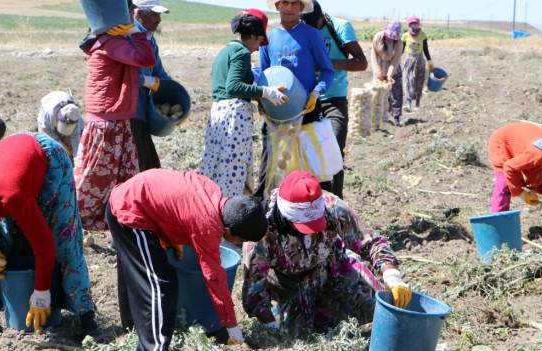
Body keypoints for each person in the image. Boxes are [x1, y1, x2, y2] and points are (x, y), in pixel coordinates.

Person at [0, 133, 99, 337]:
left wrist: (41, 294)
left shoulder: (11, 196)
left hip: (49, 161)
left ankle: (87, 320)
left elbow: (44, 245)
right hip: (14, 166)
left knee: (63, 240)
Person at [106, 169, 268, 349]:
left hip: (132, 198)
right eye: (242, 240)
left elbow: (174, 206)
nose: (240, 243)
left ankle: (132, 325)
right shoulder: (207, 225)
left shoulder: (213, 191)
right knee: (161, 286)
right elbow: (214, 278)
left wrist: (170, 240)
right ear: (229, 230)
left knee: (139, 273)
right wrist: (232, 327)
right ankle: (152, 346)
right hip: (129, 212)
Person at [242, 171, 411, 337]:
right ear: (286, 217)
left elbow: (371, 242)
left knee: (379, 315)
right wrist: (272, 326)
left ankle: (355, 270)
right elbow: (254, 294)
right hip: (288, 288)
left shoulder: (332, 207)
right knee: (293, 337)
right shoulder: (261, 232)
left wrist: (391, 274)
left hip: (331, 272)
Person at [76, 3, 156, 230]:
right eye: (129, 13)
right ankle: (73, 214)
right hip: (107, 119)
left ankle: (118, 214)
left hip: (116, 117)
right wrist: (137, 32)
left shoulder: (112, 42)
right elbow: (145, 58)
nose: (132, 17)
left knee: (123, 172)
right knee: (94, 174)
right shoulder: (111, 43)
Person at [198, 9, 288, 198]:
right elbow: (234, 86)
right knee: (231, 169)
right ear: (254, 36)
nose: (258, 48)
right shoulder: (241, 52)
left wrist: (255, 95)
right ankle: (229, 215)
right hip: (234, 116)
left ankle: (209, 206)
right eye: (259, 42)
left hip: (218, 113)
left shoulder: (226, 50)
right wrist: (265, 92)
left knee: (215, 164)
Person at [256, 0, 335, 196]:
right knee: (271, 166)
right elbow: (263, 73)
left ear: (301, 8)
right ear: (277, 6)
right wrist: (261, 99)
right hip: (276, 112)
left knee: (311, 167)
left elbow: (327, 71)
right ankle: (268, 211)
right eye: (284, 3)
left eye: (294, 4)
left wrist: (316, 93)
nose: (289, 7)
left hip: (306, 109)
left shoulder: (311, 36)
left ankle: (315, 211)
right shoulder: (268, 38)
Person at [301, 0, 368, 198]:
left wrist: (328, 63)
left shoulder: (340, 27)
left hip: (334, 99)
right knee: (309, 156)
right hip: (307, 101)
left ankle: (335, 204)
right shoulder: (301, 28)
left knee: (334, 153)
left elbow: (361, 63)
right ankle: (314, 204)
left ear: (322, 18)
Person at [131, 0, 171, 171]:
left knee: (149, 165)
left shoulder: (150, 40)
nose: (159, 19)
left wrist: (174, 90)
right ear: (139, 14)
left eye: (159, 14)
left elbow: (159, 73)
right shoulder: (131, 36)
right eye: (154, 14)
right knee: (142, 165)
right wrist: (146, 81)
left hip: (142, 113)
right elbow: (125, 75)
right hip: (129, 112)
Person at [371, 21, 404, 126]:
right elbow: (373, 56)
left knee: (396, 93)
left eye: (393, 37)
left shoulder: (399, 43)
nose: (390, 38)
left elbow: (395, 60)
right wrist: (378, 71)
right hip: (380, 65)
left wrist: (390, 75)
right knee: (378, 92)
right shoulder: (377, 37)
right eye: (389, 36)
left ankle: (396, 116)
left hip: (393, 68)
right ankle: (377, 117)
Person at [401, 16, 433, 113]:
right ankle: (408, 102)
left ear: (418, 24)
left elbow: (425, 49)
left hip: (419, 60)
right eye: (411, 24)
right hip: (409, 61)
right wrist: (395, 59)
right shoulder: (405, 36)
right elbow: (401, 50)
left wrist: (430, 62)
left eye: (415, 24)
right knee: (408, 80)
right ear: (408, 25)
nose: (413, 26)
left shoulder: (423, 35)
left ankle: (418, 101)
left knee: (419, 81)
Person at [37, 91, 84, 158]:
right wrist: (61, 147)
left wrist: (77, 159)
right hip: (48, 106)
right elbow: (49, 134)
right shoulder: (47, 113)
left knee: (75, 143)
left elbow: (76, 140)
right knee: (49, 145)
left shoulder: (75, 117)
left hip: (62, 102)